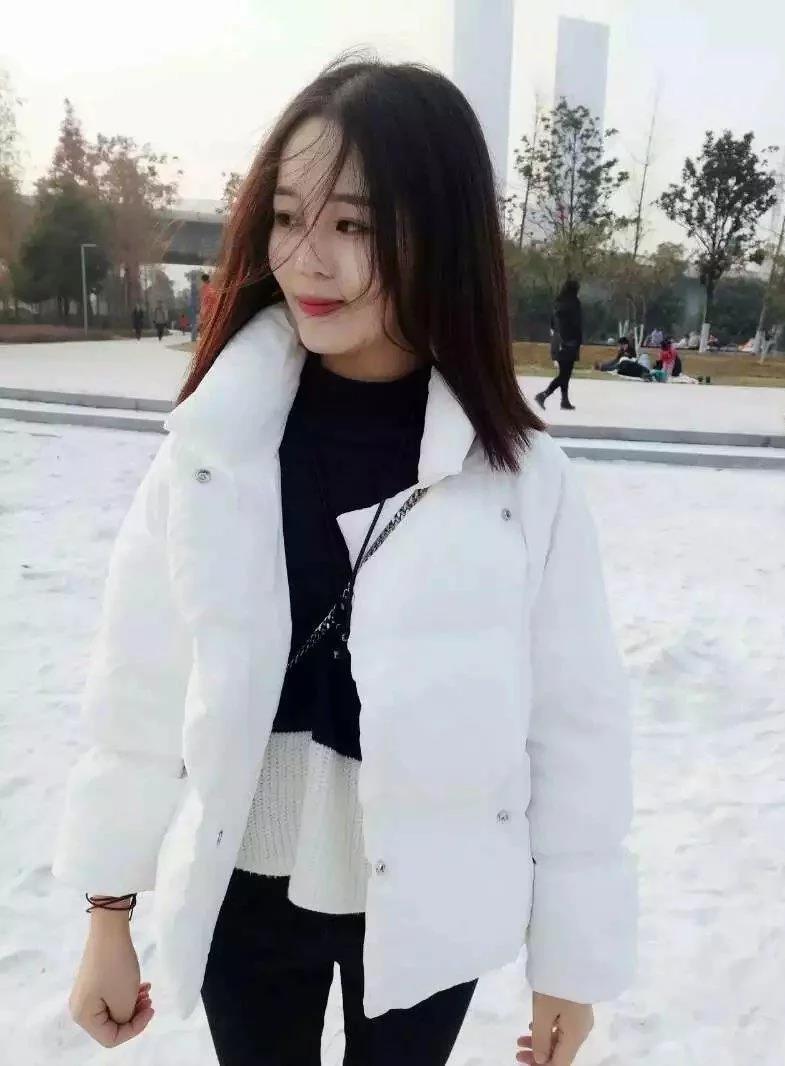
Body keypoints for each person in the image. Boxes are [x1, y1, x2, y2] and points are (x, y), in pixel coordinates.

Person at [54, 59, 635, 1066]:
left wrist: (570, 965)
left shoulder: (519, 479)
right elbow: (138, 683)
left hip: (432, 894)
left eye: (354, 225)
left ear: (440, 235)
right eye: (287, 216)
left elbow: (574, 728)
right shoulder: (218, 439)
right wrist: (109, 909)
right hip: (242, 877)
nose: (306, 259)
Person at [535, 278, 583, 411]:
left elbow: (552, 323)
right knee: (564, 375)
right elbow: (576, 324)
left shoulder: (558, 303)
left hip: (557, 341)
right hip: (569, 341)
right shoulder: (574, 304)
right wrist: (578, 341)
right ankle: (543, 395)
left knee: (564, 373)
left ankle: (564, 400)